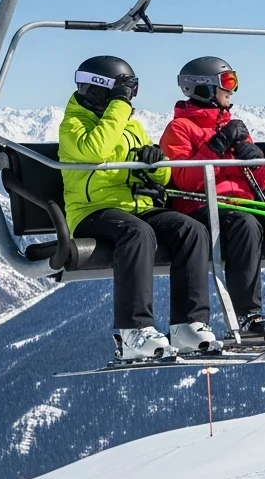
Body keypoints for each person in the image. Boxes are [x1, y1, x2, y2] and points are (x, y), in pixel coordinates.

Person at [59, 55, 216, 359]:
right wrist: (120, 106)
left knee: (192, 230)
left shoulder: (131, 125)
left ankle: (188, 323)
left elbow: (165, 176)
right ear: (99, 90)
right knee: (138, 233)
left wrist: (155, 162)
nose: (129, 98)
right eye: (124, 91)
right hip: (92, 211)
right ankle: (134, 331)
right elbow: (95, 150)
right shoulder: (73, 125)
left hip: (137, 206)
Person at [159, 56, 265, 341]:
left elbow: (261, 183)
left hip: (244, 204)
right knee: (246, 224)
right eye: (227, 83)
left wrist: (255, 162)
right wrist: (216, 146)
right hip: (202, 207)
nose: (232, 90)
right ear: (203, 88)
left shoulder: (233, 127)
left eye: (233, 82)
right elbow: (183, 180)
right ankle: (248, 315)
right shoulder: (179, 129)